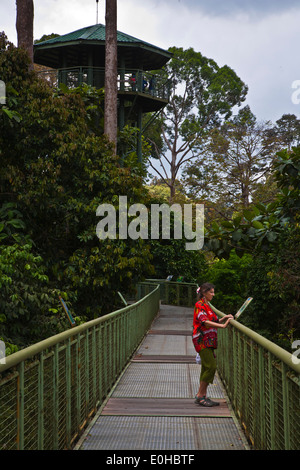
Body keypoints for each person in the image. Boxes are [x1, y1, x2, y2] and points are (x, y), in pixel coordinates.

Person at [192, 282, 233, 407]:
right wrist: (223, 326)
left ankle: (203, 395)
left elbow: (212, 320)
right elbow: (205, 322)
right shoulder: (199, 305)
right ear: (204, 293)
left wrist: (223, 318)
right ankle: (200, 395)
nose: (213, 294)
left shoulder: (207, 305)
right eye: (211, 292)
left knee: (206, 366)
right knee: (211, 366)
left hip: (208, 340)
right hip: (202, 340)